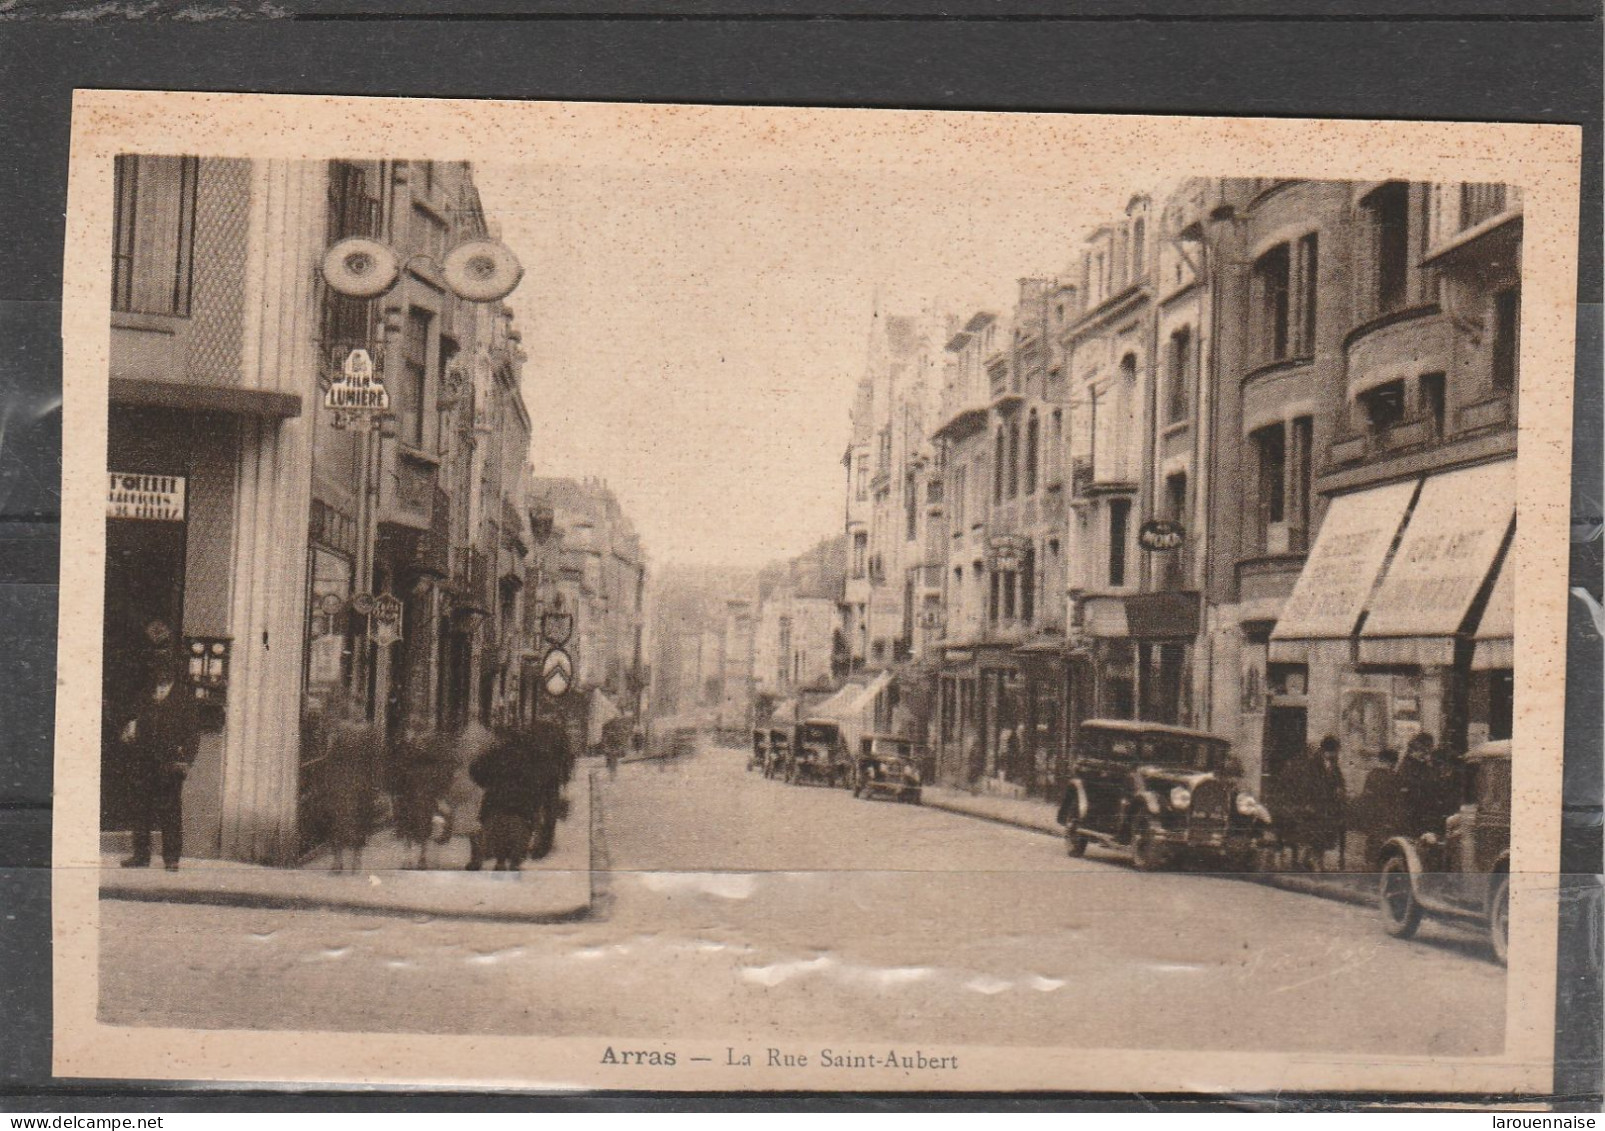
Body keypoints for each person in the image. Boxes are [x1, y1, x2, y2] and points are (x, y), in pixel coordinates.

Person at [116, 651, 198, 871]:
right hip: (143, 761)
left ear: (172, 672)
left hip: (169, 763)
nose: (161, 673)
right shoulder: (145, 695)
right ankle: (140, 855)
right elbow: (133, 719)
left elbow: (192, 733)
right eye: (157, 669)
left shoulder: (184, 697)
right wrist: (130, 729)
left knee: (169, 811)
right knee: (140, 808)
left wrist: (186, 760)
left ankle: (171, 859)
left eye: (165, 669)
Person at [319, 695, 381, 874]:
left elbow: (376, 760)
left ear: (364, 710)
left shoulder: (370, 731)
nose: (357, 711)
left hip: (362, 783)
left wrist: (375, 785)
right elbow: (331, 757)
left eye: (360, 707)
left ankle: (356, 859)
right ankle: (337, 860)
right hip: (342, 782)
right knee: (338, 821)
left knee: (360, 821)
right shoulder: (341, 729)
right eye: (354, 707)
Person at [1355, 747, 1405, 868]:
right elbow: (1397, 799)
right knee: (1383, 844)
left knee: (1374, 843)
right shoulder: (1393, 777)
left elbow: (1366, 798)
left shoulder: (1372, 775)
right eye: (1393, 763)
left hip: (1375, 817)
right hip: (1386, 817)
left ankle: (1371, 867)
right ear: (1391, 762)